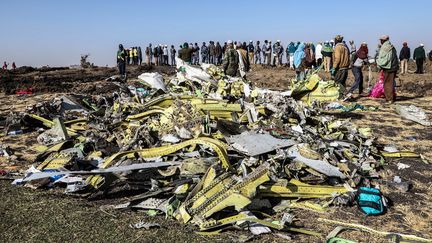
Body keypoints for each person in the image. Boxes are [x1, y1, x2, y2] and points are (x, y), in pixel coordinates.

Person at [377, 35, 399, 104]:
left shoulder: (385, 47)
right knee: (391, 83)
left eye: (381, 40)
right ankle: (391, 97)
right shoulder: (391, 46)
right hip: (393, 67)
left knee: (387, 84)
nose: (380, 41)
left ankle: (389, 99)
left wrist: (379, 64)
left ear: (384, 40)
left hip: (388, 68)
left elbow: (384, 59)